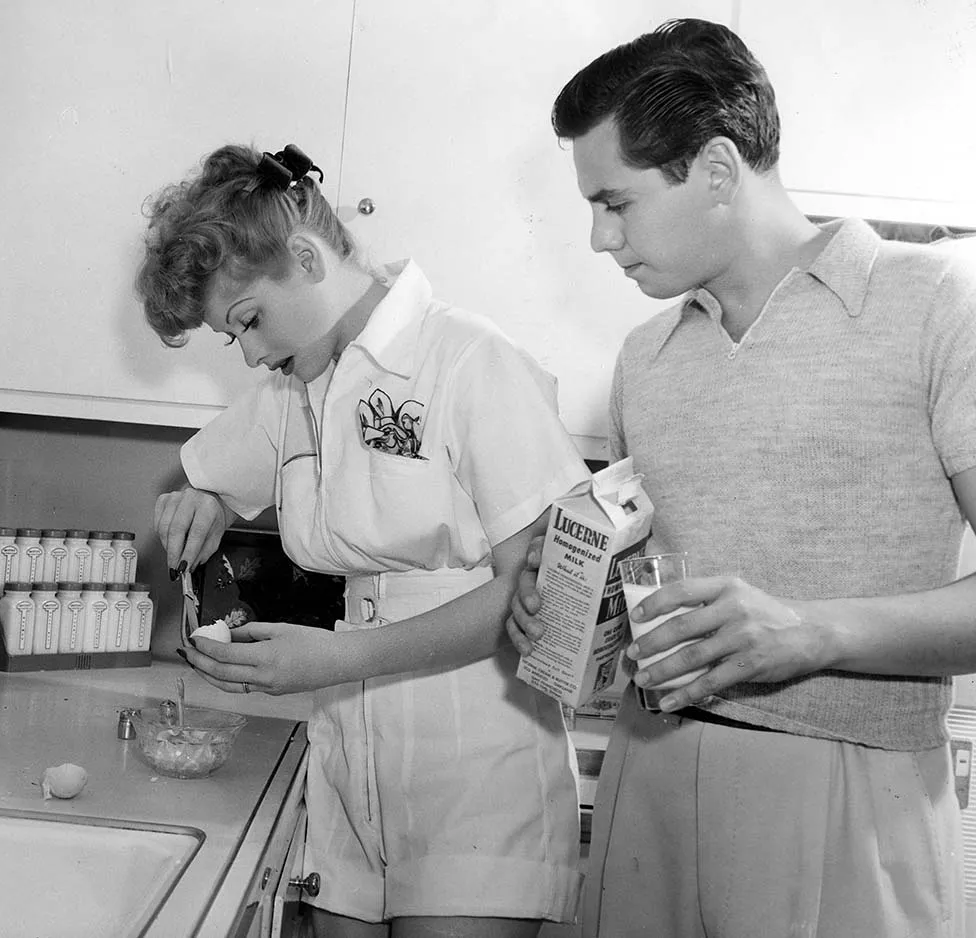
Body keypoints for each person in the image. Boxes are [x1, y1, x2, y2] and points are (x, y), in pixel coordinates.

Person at [506, 17, 975, 938]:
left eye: (616, 202)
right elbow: (642, 583)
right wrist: (568, 605)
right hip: (648, 773)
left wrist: (814, 632)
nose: (599, 238)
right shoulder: (644, 356)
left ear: (717, 169)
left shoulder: (933, 306)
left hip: (849, 791)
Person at [137, 142, 589, 938]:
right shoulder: (296, 385)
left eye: (249, 321)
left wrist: (338, 658)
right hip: (347, 760)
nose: (252, 353)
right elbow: (209, 473)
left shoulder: (467, 357)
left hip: (475, 762)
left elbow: (537, 593)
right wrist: (203, 495)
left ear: (307, 258)